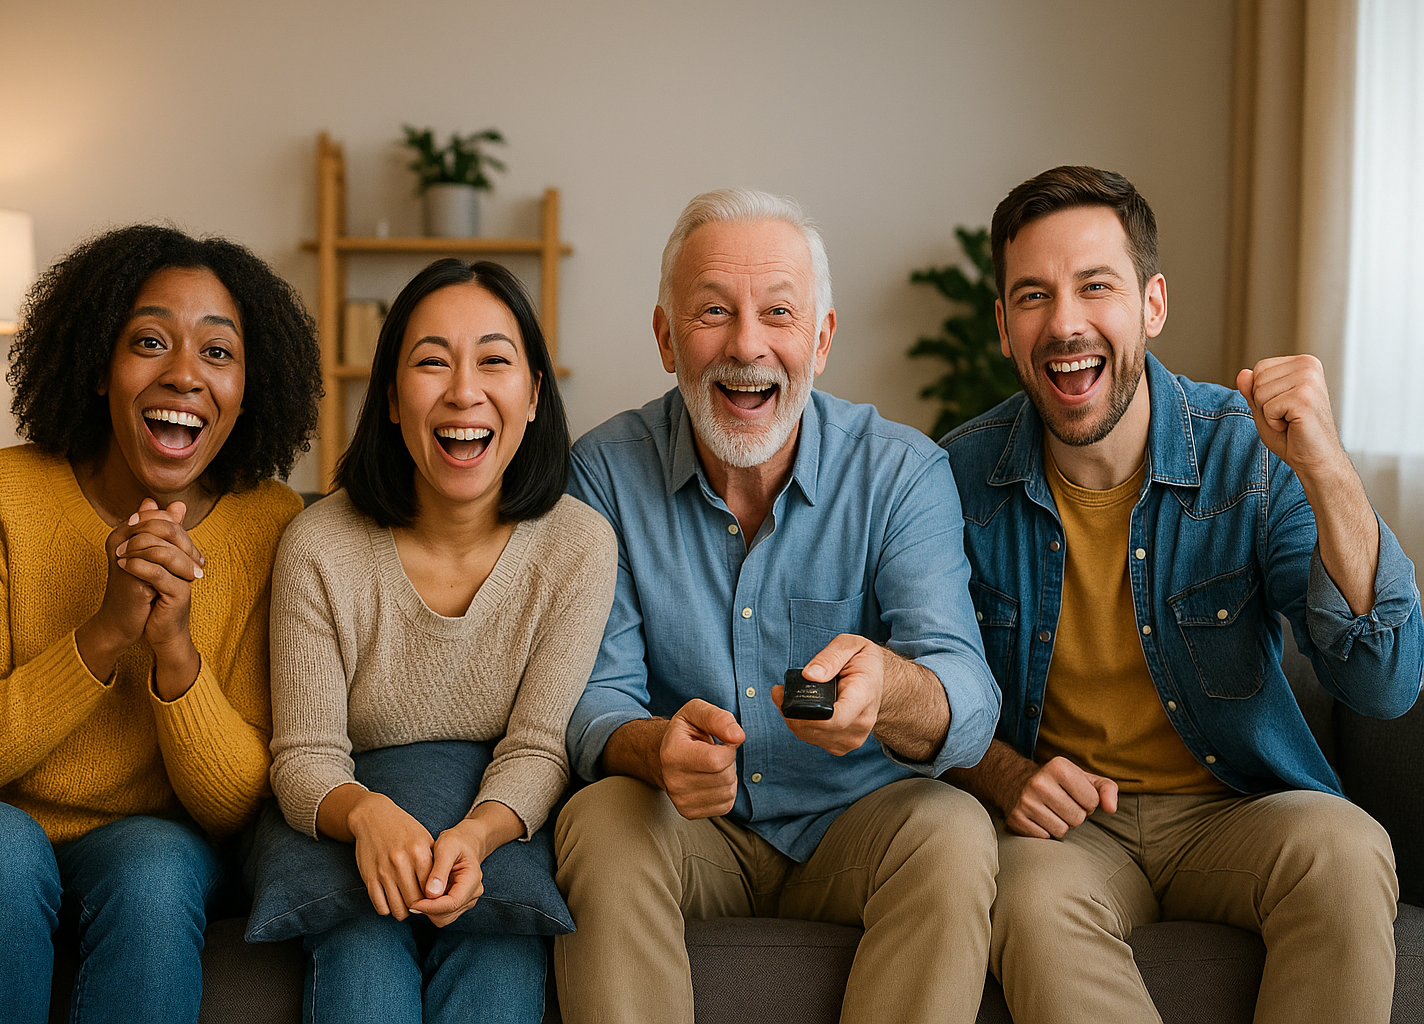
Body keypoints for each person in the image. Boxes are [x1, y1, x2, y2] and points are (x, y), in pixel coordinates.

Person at [941, 165, 1424, 1024]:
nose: (1065, 324)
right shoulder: (955, 479)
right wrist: (1005, 772)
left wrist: (1324, 465)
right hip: (1067, 836)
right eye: (1032, 296)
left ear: (1152, 304)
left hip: (1237, 811)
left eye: (1097, 287)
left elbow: (1383, 683)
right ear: (1006, 328)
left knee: (1348, 848)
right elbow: (920, 688)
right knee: (1020, 892)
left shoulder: (1250, 454)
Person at [553, 188, 1002, 1024]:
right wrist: (654, 749)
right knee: (602, 817)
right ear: (665, 338)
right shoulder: (604, 475)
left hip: (856, 825)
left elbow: (966, 695)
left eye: (780, 314)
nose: (747, 346)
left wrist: (889, 689)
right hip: (686, 829)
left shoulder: (902, 474)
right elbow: (591, 700)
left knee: (953, 829)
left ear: (822, 339)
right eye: (713, 312)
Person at [0, 224, 323, 1023]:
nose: (185, 375)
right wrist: (106, 631)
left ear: (249, 386)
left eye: (218, 353)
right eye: (149, 342)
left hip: (140, 840)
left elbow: (235, 805)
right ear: (97, 367)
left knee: (159, 868)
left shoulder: (271, 522)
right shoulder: (1, 493)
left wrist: (172, 648)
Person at [268, 258, 617, 1024]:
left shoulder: (579, 545)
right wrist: (367, 815)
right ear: (392, 399)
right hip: (353, 828)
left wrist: (478, 833)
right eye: (432, 362)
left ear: (532, 395)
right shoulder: (320, 545)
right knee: (360, 947)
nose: (464, 391)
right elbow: (303, 757)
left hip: (494, 824)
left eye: (494, 360)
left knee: (496, 949)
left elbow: (538, 747)